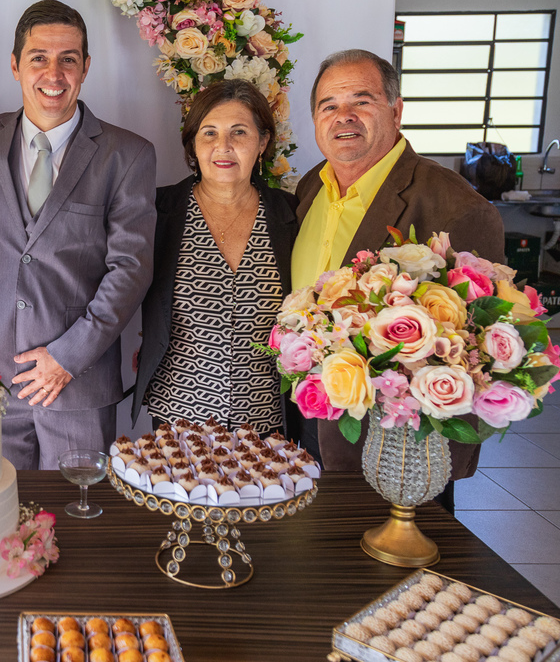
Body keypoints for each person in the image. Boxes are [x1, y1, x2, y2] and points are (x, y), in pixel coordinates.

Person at [292, 48, 505, 491]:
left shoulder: (456, 207)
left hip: (396, 444)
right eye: (329, 106)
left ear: (396, 111)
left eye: (362, 100)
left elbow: (479, 355)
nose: (343, 116)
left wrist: (432, 473)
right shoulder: (313, 185)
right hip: (309, 416)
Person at [0, 0, 157, 471]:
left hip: (78, 383)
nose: (54, 73)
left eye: (68, 58)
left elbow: (130, 270)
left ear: (85, 67)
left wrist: (67, 357)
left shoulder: (128, 154)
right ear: (15, 65)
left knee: (78, 509)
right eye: (38, 58)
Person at [134, 80, 301, 441]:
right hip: (176, 415)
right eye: (209, 133)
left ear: (262, 142)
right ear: (193, 144)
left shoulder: (290, 214)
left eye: (239, 132)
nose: (223, 146)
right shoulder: (157, 211)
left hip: (266, 419)